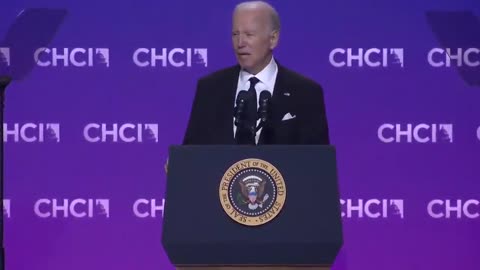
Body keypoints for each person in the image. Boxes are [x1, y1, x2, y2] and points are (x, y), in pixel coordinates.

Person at [183, 0, 330, 145]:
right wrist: (179, 163)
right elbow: (192, 152)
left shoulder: (306, 92)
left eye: (249, 34)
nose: (240, 43)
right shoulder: (209, 88)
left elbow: (317, 163)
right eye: (235, 34)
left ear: (273, 39)